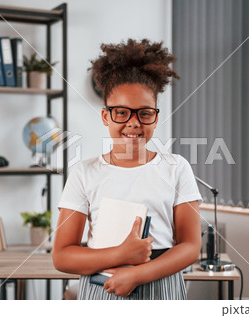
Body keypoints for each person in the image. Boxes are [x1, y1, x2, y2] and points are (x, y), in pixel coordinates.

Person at [52, 38, 203, 300]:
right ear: (105, 116)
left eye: (144, 113)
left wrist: (138, 274)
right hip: (103, 288)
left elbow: (190, 246)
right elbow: (62, 255)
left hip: (161, 286)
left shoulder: (176, 168)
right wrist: (122, 255)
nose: (133, 123)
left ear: (156, 117)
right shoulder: (84, 173)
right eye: (121, 112)